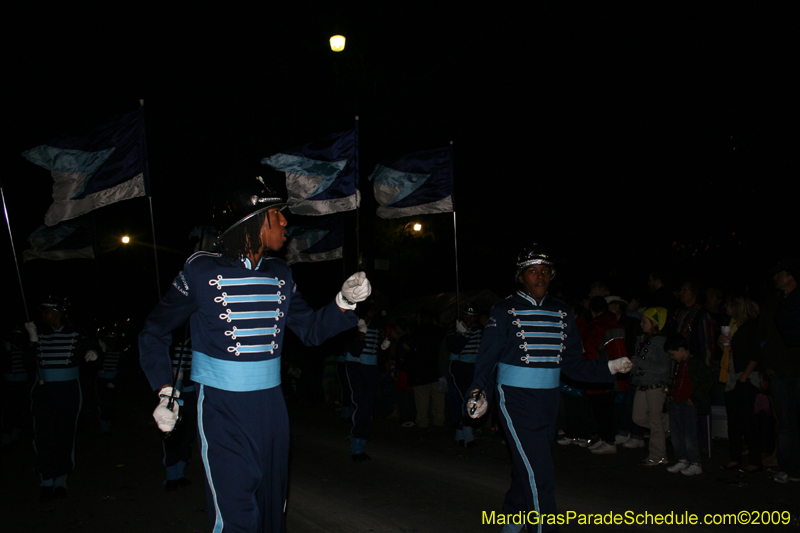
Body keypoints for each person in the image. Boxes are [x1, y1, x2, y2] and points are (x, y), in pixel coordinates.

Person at [139, 180, 371, 532]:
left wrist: (344, 301)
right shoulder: (201, 270)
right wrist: (164, 389)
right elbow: (154, 330)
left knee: (272, 508)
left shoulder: (281, 273)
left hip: (271, 406)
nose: (284, 222)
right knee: (236, 513)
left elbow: (310, 330)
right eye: (276, 214)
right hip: (221, 406)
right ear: (253, 221)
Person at [467, 244, 632, 533]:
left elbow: (573, 366)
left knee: (528, 467)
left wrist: (609, 367)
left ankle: (512, 520)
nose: (540, 277)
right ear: (521, 277)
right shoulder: (504, 309)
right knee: (541, 473)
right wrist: (478, 392)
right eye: (532, 271)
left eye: (545, 272)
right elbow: (487, 358)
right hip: (515, 398)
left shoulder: (563, 311)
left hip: (549, 400)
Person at [26, 295, 100, 502]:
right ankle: (46, 478)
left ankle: (61, 479)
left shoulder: (76, 332)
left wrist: (92, 351)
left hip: (69, 389)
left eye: (49, 310)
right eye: (44, 311)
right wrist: (31, 340)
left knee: (65, 433)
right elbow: (28, 363)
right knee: (44, 434)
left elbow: (89, 344)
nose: (45, 314)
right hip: (44, 390)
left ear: (59, 313)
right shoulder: (39, 333)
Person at [759, 258, 800, 484]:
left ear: (790, 275)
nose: (775, 278)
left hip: (797, 368)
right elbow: (764, 336)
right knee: (785, 422)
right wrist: (769, 367)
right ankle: (789, 468)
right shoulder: (772, 303)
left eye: (779, 273)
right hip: (780, 371)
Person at [719, 295, 762, 473]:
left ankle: (755, 460)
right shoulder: (733, 326)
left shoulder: (751, 326)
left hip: (745, 376)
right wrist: (721, 343)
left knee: (747, 420)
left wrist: (745, 375)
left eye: (730, 305)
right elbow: (730, 351)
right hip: (731, 375)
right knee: (734, 421)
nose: (727, 308)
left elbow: (756, 353)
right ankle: (735, 458)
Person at [345, 299, 390, 460]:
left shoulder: (378, 326)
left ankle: (362, 442)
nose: (373, 312)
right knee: (360, 403)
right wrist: (361, 336)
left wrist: (384, 349)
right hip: (356, 365)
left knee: (369, 405)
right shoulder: (353, 323)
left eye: (374, 310)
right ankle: (356, 443)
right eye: (370, 309)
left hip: (371, 367)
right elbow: (353, 349)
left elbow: (377, 352)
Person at [663, 333, 713, 476]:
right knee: (676, 434)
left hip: (688, 403)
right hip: (677, 402)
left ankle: (695, 462)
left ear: (682, 349)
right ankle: (682, 459)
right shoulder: (679, 365)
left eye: (673, 354)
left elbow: (707, 382)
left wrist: (695, 398)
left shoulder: (696, 363)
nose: (673, 358)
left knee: (689, 435)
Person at [630, 307, 671, 465]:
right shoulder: (642, 339)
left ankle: (658, 455)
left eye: (645, 321)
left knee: (655, 422)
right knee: (638, 418)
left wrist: (638, 362)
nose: (641, 324)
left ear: (655, 323)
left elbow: (662, 367)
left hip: (655, 385)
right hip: (641, 384)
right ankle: (669, 423)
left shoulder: (661, 341)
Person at [446, 303, 483, 446]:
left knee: (471, 398)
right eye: (467, 315)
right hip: (460, 367)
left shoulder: (480, 329)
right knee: (466, 398)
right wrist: (463, 334)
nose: (469, 319)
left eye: (473, 316)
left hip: (476, 368)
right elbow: (454, 348)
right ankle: (467, 433)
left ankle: (460, 434)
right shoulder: (454, 328)